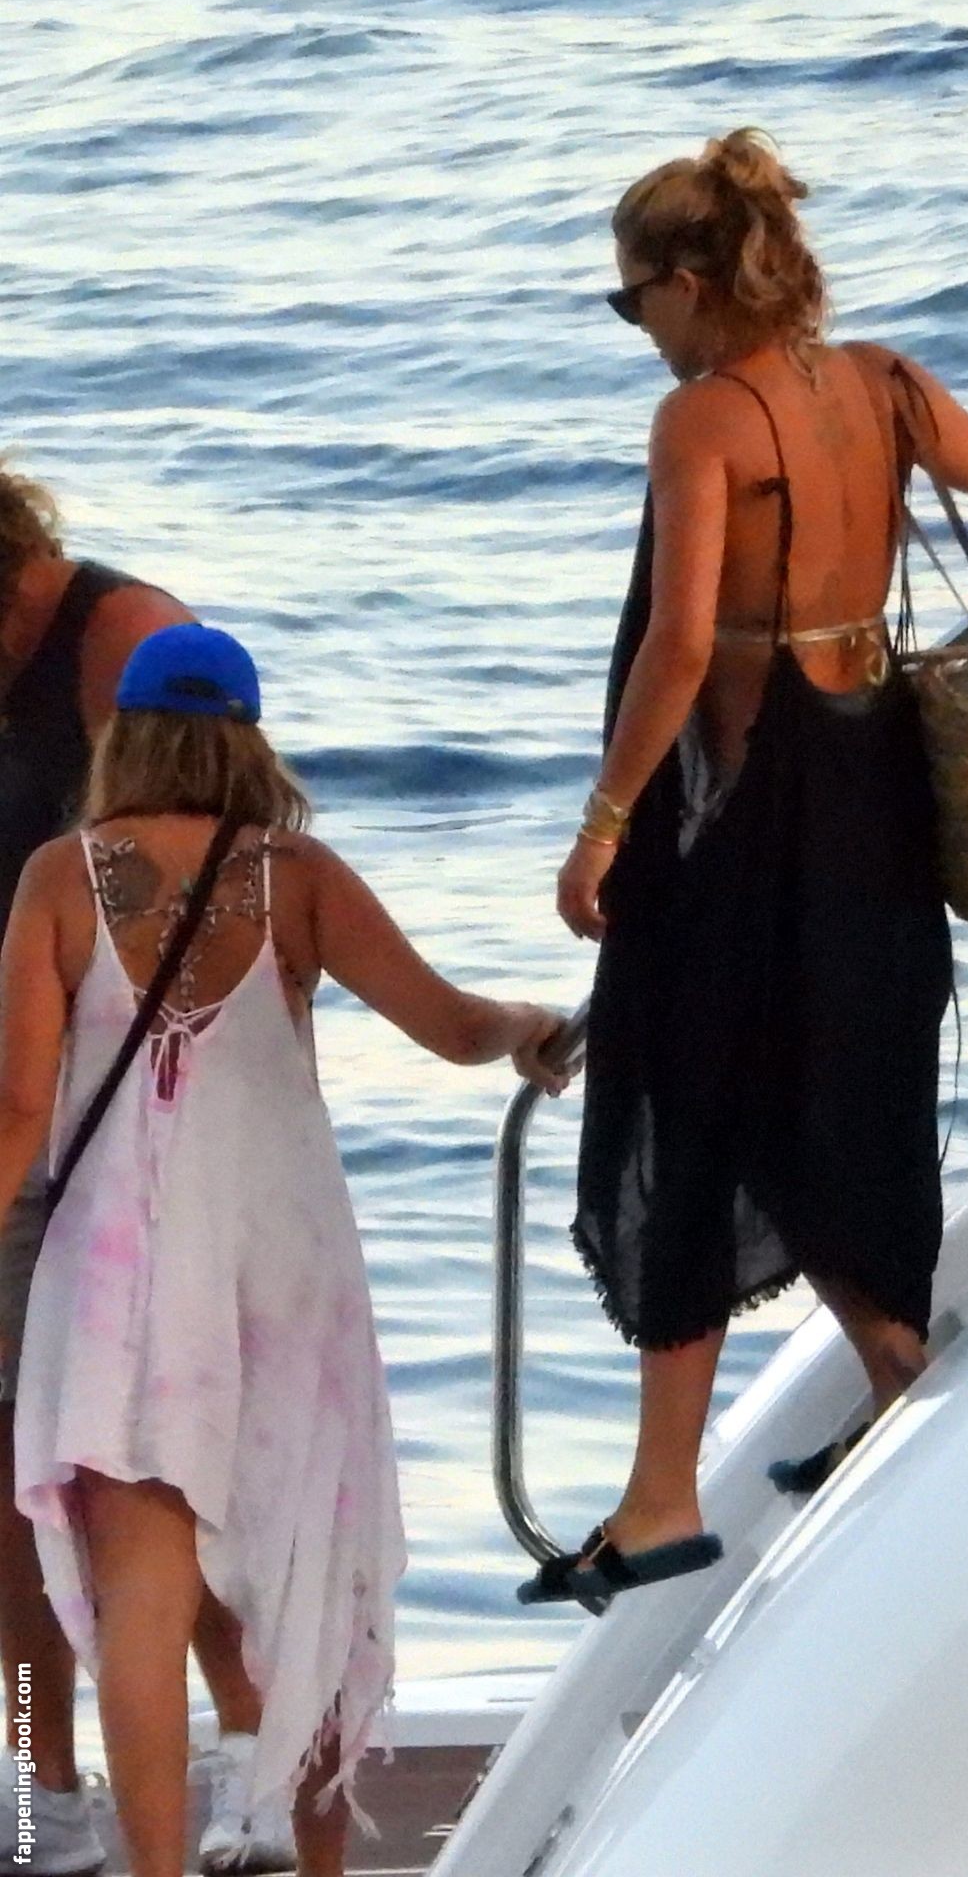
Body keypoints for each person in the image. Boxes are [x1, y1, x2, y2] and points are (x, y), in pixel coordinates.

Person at [521, 127, 968, 1609]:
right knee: (836, 1076)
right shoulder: (880, 384)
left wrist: (603, 824)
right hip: (870, 781)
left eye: (633, 302)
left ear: (692, 284)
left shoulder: (705, 421)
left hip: (742, 807)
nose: (639, 330)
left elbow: (679, 646)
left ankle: (661, 1496)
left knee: (691, 1091)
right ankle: (890, 1367)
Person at [0, 623, 566, 1877]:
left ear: (124, 736)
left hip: (117, 1281)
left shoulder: (58, 880)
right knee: (306, 1563)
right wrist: (529, 1022)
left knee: (141, 1606)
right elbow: (449, 1026)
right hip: (281, 1269)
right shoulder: (299, 878)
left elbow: (20, 1109)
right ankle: (312, 1863)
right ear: (249, 741)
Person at [0, 466, 296, 1875]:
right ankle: (43, 1793)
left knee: (166, 1482)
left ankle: (247, 1755)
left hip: (109, 1146)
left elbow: (229, 889)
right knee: (21, 1490)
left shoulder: (117, 639)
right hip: (32, 1123)